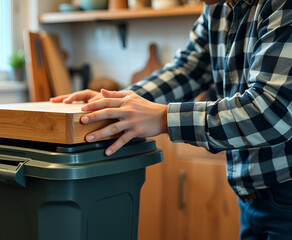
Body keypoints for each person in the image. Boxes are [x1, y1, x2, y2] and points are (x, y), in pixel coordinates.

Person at [51, 0, 292, 239]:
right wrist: (120, 102)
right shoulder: (218, 6)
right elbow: (188, 69)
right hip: (252, 193)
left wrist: (163, 118)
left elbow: (272, 111)